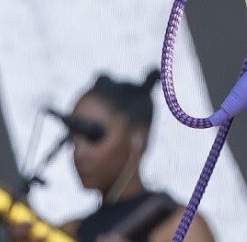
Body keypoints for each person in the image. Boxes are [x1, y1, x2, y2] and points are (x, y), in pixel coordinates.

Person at [63, 71, 214, 242]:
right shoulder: (70, 230)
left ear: (138, 139)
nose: (79, 153)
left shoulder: (181, 225)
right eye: (73, 139)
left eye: (94, 136)